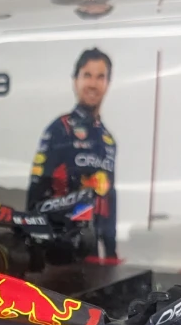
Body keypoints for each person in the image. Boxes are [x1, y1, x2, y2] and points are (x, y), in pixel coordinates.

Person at [28, 47, 119, 263]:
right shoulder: (60, 129)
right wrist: (32, 243)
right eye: (87, 75)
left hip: (92, 251)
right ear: (75, 80)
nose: (93, 84)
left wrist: (111, 252)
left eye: (100, 77)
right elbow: (36, 191)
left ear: (108, 84)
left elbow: (108, 197)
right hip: (59, 247)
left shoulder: (108, 139)